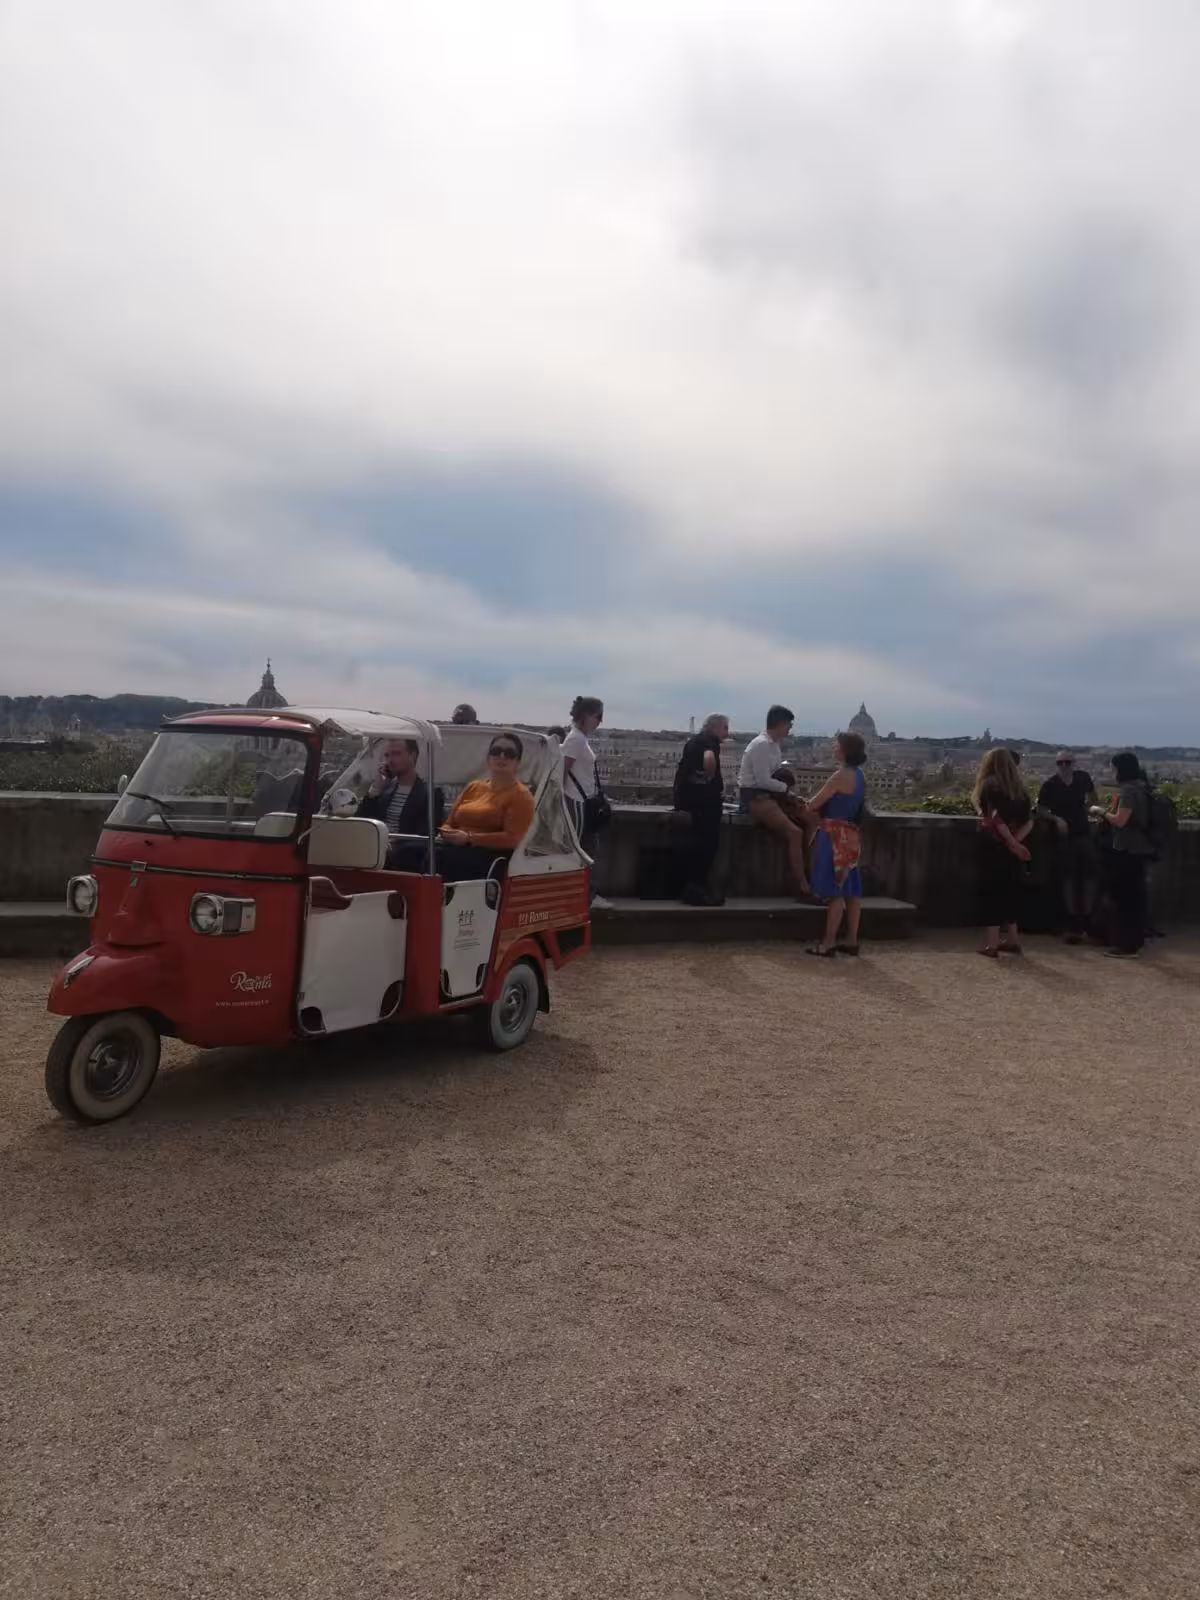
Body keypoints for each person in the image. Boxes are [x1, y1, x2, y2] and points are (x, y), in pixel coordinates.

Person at [436, 730, 535, 879]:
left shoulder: (521, 796)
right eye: (496, 751)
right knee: (413, 851)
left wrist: (470, 838)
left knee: (435, 856)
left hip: (488, 857)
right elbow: (449, 823)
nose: (502, 756)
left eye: (509, 753)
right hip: (455, 847)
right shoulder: (473, 786)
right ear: (488, 758)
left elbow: (513, 838)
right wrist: (448, 833)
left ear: (517, 763)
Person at [803, 731, 868, 958]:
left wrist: (806, 802)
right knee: (851, 892)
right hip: (851, 836)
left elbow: (814, 804)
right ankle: (851, 940)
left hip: (833, 836)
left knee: (834, 891)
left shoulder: (840, 775)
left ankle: (828, 943)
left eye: (836, 745)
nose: (833, 747)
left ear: (844, 750)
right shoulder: (860, 775)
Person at [737, 704, 812, 895]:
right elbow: (762, 780)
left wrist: (790, 795)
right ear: (780, 724)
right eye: (789, 725)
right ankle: (802, 885)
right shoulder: (762, 745)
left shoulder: (773, 745)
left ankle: (812, 873)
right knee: (795, 833)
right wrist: (786, 790)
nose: (790, 729)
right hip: (756, 797)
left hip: (770, 794)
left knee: (812, 819)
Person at [1093, 752, 1155, 959]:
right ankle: (1135, 942)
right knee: (1136, 899)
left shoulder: (1128, 790)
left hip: (1127, 850)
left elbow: (1120, 821)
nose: (1112, 771)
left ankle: (1125, 946)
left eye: (1114, 767)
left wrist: (1100, 811)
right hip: (1142, 849)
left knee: (1123, 899)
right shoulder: (1142, 786)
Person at [973, 746, 1033, 957]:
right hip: (1013, 848)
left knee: (992, 892)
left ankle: (992, 944)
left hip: (994, 846)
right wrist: (1016, 844)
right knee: (1011, 892)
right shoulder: (1020, 789)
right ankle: (1013, 940)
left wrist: (1011, 844)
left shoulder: (990, 785)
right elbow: (1029, 822)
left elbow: (996, 820)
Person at [1036, 750, 1097, 943]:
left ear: (1073, 763)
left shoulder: (1082, 778)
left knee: (1086, 877)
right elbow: (1040, 809)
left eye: (1067, 762)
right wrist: (1056, 819)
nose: (1063, 766)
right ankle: (1073, 921)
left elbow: (1093, 797)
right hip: (1063, 838)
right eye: (1060, 763)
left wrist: (1090, 808)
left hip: (1082, 833)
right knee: (1069, 879)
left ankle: (1084, 920)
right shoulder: (1050, 784)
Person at [672, 714, 729, 905]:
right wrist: (709, 778)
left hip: (687, 798)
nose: (727, 732)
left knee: (698, 843)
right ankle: (696, 890)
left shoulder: (694, 741)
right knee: (707, 845)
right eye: (725, 728)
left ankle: (692, 888)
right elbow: (709, 759)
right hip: (704, 802)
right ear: (715, 728)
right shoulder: (709, 742)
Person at [357, 739, 444, 840]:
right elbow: (362, 821)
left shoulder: (430, 794)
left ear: (413, 756)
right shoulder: (385, 790)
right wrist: (375, 789)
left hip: (404, 852)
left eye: (396, 754)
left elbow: (424, 836)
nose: (390, 760)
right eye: (387, 755)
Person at [561, 697, 605, 891]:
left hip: (580, 801)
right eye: (598, 716)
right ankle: (580, 896)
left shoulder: (578, 738)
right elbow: (561, 772)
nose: (600, 721)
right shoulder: (576, 739)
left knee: (585, 851)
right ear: (586, 715)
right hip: (576, 803)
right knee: (582, 852)